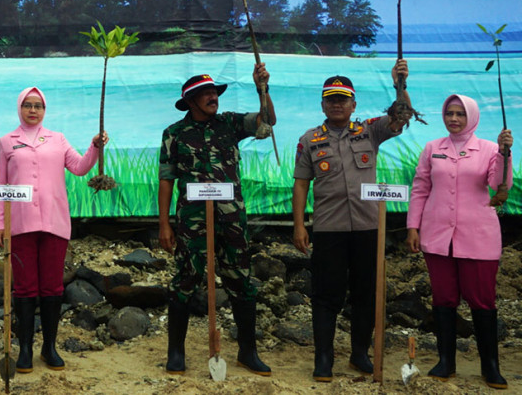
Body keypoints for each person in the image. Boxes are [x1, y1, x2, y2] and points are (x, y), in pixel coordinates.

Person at [292, 61, 410, 382]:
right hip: (329, 230)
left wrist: (399, 84)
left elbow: (401, 117)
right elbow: (301, 183)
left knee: (366, 293)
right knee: (326, 295)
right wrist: (299, 225)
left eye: (343, 99)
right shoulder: (309, 139)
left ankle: (360, 353)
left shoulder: (369, 130)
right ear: (322, 104)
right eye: (331, 98)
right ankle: (324, 359)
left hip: (369, 229)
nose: (337, 104)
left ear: (353, 104)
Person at [158, 64, 275, 377]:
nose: (213, 97)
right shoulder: (174, 134)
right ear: (191, 101)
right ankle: (176, 352)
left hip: (232, 219)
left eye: (215, 92)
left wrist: (262, 89)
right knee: (185, 279)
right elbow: (167, 179)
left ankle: (248, 352)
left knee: (240, 279)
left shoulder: (230, 124)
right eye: (205, 93)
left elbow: (267, 123)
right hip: (191, 221)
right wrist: (165, 224)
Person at [0, 87, 107, 372]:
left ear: (45, 110)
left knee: (53, 287)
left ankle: (49, 347)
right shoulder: (7, 142)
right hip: (20, 225)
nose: (33, 110)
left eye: (38, 106)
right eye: (28, 105)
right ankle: (26, 349)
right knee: (25, 287)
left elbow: (80, 167)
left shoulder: (58, 139)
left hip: (55, 223)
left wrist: (95, 147)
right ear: (19, 108)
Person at [406, 94, 512, 388]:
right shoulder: (432, 148)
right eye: (450, 113)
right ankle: (445, 361)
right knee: (443, 299)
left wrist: (505, 153)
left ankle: (490, 366)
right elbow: (420, 188)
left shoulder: (490, 149)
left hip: (478, 237)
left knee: (482, 301)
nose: (453, 119)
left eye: (460, 114)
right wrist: (413, 226)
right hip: (437, 235)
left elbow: (498, 185)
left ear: (472, 117)